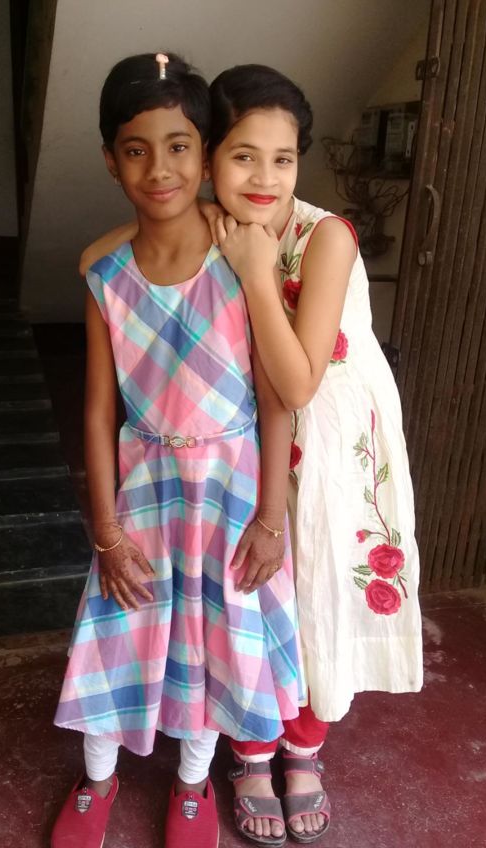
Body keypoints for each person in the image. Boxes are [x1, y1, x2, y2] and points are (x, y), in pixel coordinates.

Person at [80, 62, 424, 847]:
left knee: (314, 601)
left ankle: (303, 752)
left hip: (324, 445)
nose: (265, 177)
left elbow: (296, 385)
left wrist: (258, 272)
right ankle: (250, 755)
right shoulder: (217, 221)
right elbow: (105, 252)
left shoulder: (322, 237)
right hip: (247, 454)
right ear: (210, 161)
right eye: (243, 157)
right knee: (248, 603)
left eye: (284, 158)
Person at [52, 54, 305, 848]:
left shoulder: (244, 256)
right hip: (144, 493)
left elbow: (276, 400)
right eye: (135, 149)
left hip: (231, 493)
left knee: (215, 643)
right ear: (110, 158)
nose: (159, 168)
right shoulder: (104, 274)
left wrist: (271, 518)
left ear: (204, 152)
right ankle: (97, 779)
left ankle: (193, 785)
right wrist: (106, 531)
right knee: (117, 630)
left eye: (179, 146)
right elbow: (99, 411)